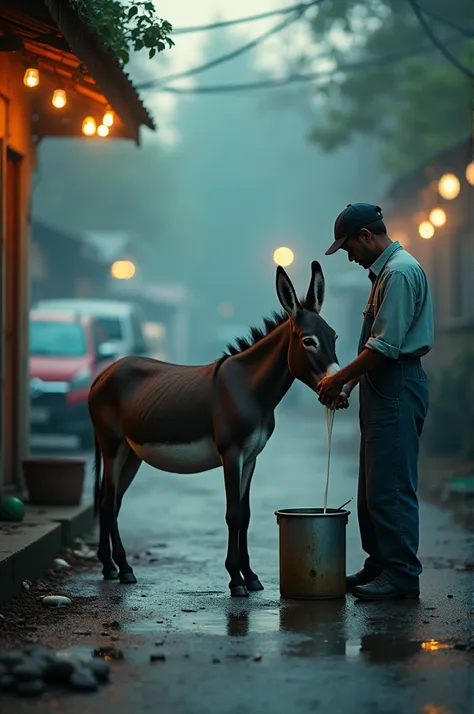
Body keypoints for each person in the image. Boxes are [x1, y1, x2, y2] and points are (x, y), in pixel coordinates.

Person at [317, 203, 434, 601]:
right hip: (382, 385)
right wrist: (350, 387)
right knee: (372, 487)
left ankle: (401, 575)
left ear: (366, 236)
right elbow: (375, 346)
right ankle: (380, 564)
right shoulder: (383, 273)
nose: (348, 256)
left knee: (393, 486)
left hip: (398, 384)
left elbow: (385, 348)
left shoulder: (399, 273)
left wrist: (339, 377)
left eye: (348, 246)